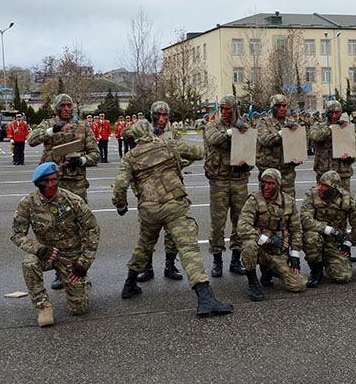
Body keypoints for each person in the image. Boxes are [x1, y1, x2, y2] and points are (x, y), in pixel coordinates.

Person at [112, 120, 232, 317]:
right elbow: (198, 152)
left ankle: (130, 284)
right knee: (188, 248)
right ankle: (205, 298)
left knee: (144, 245)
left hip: (149, 209)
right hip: (173, 204)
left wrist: (121, 205)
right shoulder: (167, 144)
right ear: (150, 131)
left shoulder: (129, 157)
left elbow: (119, 185)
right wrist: (180, 159)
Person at [11, 162, 99, 327]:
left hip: (71, 257)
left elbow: (93, 229)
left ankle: (82, 284)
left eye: (54, 180)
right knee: (29, 263)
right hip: (47, 254)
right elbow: (17, 234)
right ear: (38, 183)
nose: (51, 185)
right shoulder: (28, 203)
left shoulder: (72, 200)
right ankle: (43, 306)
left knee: (79, 309)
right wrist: (38, 249)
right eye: (46, 181)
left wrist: (84, 263)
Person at [237, 168, 307, 301]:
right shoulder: (254, 200)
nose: (266, 187)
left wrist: (295, 255)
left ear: (278, 185)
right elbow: (243, 227)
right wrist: (269, 240)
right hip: (261, 250)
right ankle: (253, 282)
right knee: (249, 245)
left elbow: (296, 229)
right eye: (264, 182)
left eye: (271, 183)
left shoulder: (288, 202)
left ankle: (269, 271)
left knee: (299, 284)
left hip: (278, 253)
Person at [203, 95, 251, 277]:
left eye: (228, 109)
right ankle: (217, 260)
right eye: (222, 109)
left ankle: (235, 260)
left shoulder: (244, 126)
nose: (224, 112)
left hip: (239, 179)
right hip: (219, 180)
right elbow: (214, 139)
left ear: (234, 109)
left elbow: (249, 151)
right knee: (218, 222)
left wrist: (245, 162)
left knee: (240, 222)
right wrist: (232, 132)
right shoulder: (212, 124)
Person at [27, 93, 100, 202]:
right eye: (62, 106)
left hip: (77, 183)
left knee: (79, 215)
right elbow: (31, 140)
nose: (66, 109)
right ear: (56, 108)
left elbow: (95, 154)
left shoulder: (83, 126)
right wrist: (53, 130)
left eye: (69, 106)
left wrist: (81, 160)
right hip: (52, 181)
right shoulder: (48, 124)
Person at [300, 170, 356, 287]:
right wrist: (330, 230)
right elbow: (305, 220)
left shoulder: (346, 199)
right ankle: (316, 271)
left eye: (325, 186)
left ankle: (328, 261)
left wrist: (348, 243)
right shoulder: (311, 195)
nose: (320, 188)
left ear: (335, 188)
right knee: (311, 238)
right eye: (320, 184)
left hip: (334, 244)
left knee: (344, 276)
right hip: (317, 239)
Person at [256, 94, 302, 196]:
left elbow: (299, 145)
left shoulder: (292, 123)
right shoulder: (263, 122)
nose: (282, 108)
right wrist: (283, 133)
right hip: (269, 173)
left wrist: (298, 158)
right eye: (278, 106)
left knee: (288, 205)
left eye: (284, 106)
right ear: (272, 107)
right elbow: (265, 140)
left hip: (287, 173)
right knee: (267, 206)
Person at [309, 100, 356, 191]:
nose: (334, 116)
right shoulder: (318, 126)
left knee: (344, 202)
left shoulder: (348, 128)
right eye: (331, 113)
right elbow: (314, 136)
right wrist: (331, 128)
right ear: (326, 113)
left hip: (343, 173)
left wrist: (350, 157)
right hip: (324, 172)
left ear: (341, 113)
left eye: (337, 113)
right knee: (323, 201)